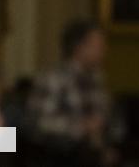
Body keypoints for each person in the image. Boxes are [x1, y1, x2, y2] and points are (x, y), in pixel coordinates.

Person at [27, 20, 114, 166]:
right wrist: (81, 126)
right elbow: (38, 123)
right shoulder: (54, 79)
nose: (104, 50)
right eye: (98, 46)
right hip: (61, 155)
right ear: (79, 47)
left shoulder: (96, 79)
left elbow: (102, 118)